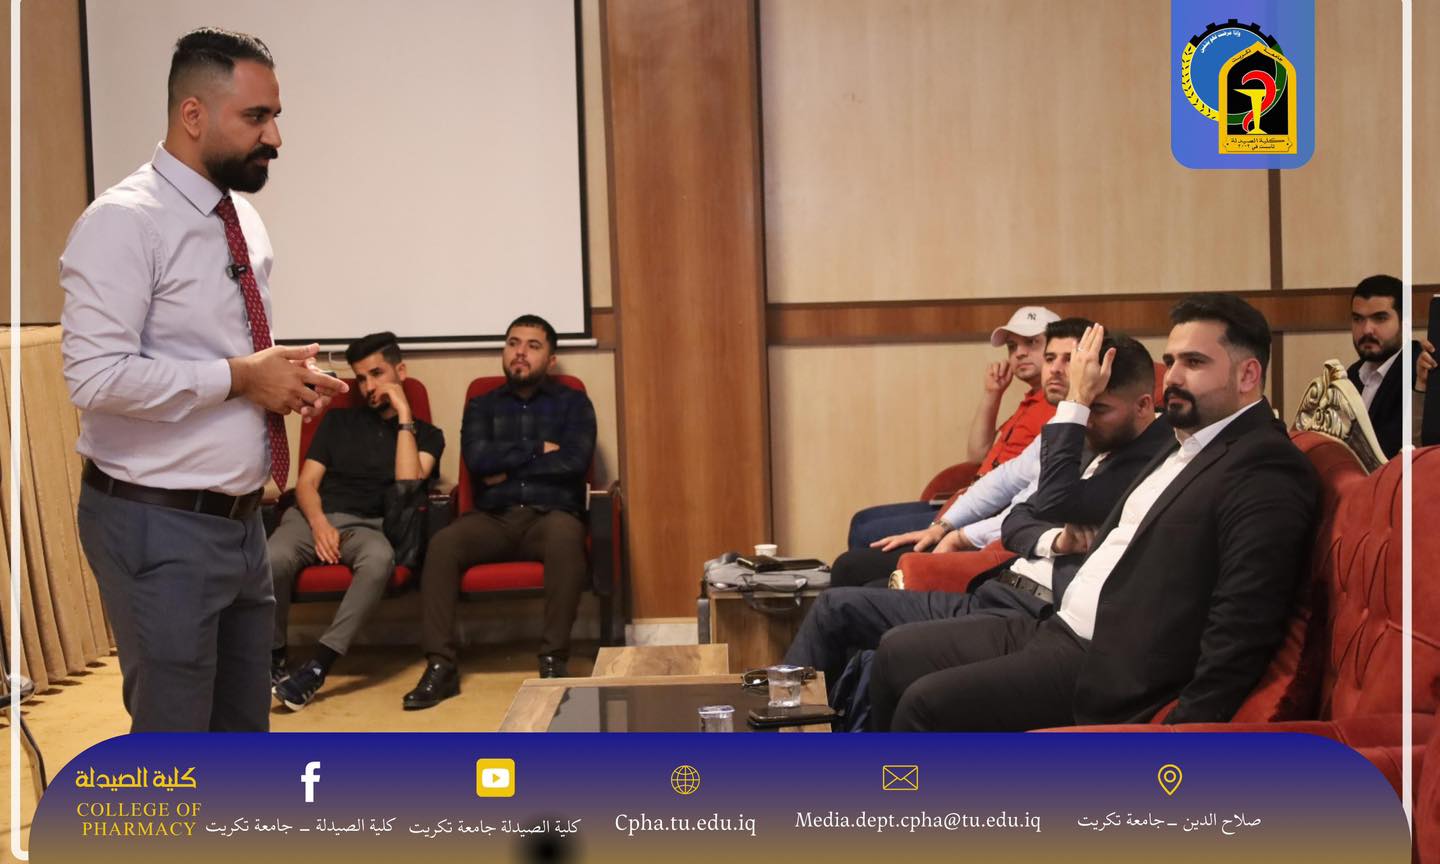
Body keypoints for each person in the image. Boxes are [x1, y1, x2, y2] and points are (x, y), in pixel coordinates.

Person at [60, 27, 345, 732]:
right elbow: (94, 376)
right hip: (157, 523)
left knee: (241, 739)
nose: (275, 137)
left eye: (275, 115)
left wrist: (284, 377)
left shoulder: (240, 216)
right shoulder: (122, 223)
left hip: (242, 524)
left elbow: (223, 350)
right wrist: (241, 378)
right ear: (193, 115)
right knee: (175, 749)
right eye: (256, 117)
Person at [869, 293, 1318, 732]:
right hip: (1056, 622)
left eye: (1194, 362)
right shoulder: (1180, 439)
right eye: (1171, 361)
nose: (1173, 377)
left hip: (1105, 663)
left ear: (1247, 374)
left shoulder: (1264, 465)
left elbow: (1243, 620)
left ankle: (900, 786)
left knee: (924, 704)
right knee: (895, 652)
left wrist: (1184, 733)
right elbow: (1047, 505)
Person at [784, 328, 1170, 691]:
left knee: (892, 645)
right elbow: (1019, 517)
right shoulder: (1092, 438)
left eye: (1095, 408)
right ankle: (785, 724)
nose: (1086, 421)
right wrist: (1052, 539)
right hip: (996, 588)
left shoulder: (1144, 461)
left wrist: (1075, 407)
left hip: (1032, 614)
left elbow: (1053, 500)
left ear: (1143, 406)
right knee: (834, 606)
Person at [403, 315, 597, 709]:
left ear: (551, 359)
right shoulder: (482, 405)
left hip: (551, 515)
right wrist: (538, 449)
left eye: (532, 345)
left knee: (566, 540)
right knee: (443, 545)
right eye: (513, 343)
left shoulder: (573, 403)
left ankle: (553, 660)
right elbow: (478, 461)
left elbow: (574, 462)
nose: (520, 352)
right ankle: (441, 665)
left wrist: (507, 467)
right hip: (493, 518)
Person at [828, 317, 1089, 588]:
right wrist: (943, 527)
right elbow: (997, 472)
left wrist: (959, 535)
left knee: (856, 560)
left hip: (1004, 544)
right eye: (1050, 358)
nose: (1054, 368)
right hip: (980, 517)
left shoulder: (1081, 428)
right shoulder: (1051, 415)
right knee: (856, 555)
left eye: (1068, 359)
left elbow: (1030, 513)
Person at [268, 332, 444, 710]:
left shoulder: (429, 436)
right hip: (312, 517)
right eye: (361, 379)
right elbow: (307, 484)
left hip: (369, 526)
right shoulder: (337, 421)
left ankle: (318, 665)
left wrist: (404, 416)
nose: (368, 387)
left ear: (400, 371)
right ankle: (274, 656)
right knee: (272, 559)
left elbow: (408, 486)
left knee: (379, 561)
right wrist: (319, 525)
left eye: (377, 374)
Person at [844, 306, 1061, 549]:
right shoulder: (1030, 400)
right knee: (862, 519)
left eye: (1031, 342)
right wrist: (992, 394)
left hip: (993, 512)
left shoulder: (1058, 406)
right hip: (969, 499)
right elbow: (977, 456)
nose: (1019, 353)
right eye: (1012, 346)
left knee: (864, 531)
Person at [1348, 275, 1406, 458]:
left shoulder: (1421, 374)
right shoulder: (1351, 375)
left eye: (1380, 318)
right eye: (1358, 319)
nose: (1366, 330)